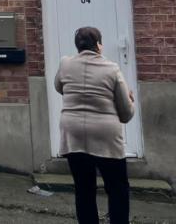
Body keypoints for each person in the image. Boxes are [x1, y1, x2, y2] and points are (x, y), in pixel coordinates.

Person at [54, 25, 135, 224]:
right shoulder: (112, 69)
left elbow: (59, 86)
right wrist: (130, 100)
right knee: (117, 188)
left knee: (83, 189)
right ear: (99, 45)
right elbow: (125, 113)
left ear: (78, 46)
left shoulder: (65, 64)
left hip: (73, 134)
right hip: (105, 136)